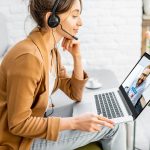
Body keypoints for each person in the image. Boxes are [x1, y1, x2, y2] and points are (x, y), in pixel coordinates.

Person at [0, 0, 126, 150]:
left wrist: (76, 57)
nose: (81, 22)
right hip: (19, 142)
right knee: (113, 126)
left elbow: (75, 93)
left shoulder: (50, 50)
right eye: (74, 16)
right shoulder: (29, 58)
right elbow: (18, 124)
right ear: (52, 19)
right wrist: (75, 122)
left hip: (38, 121)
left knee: (104, 117)